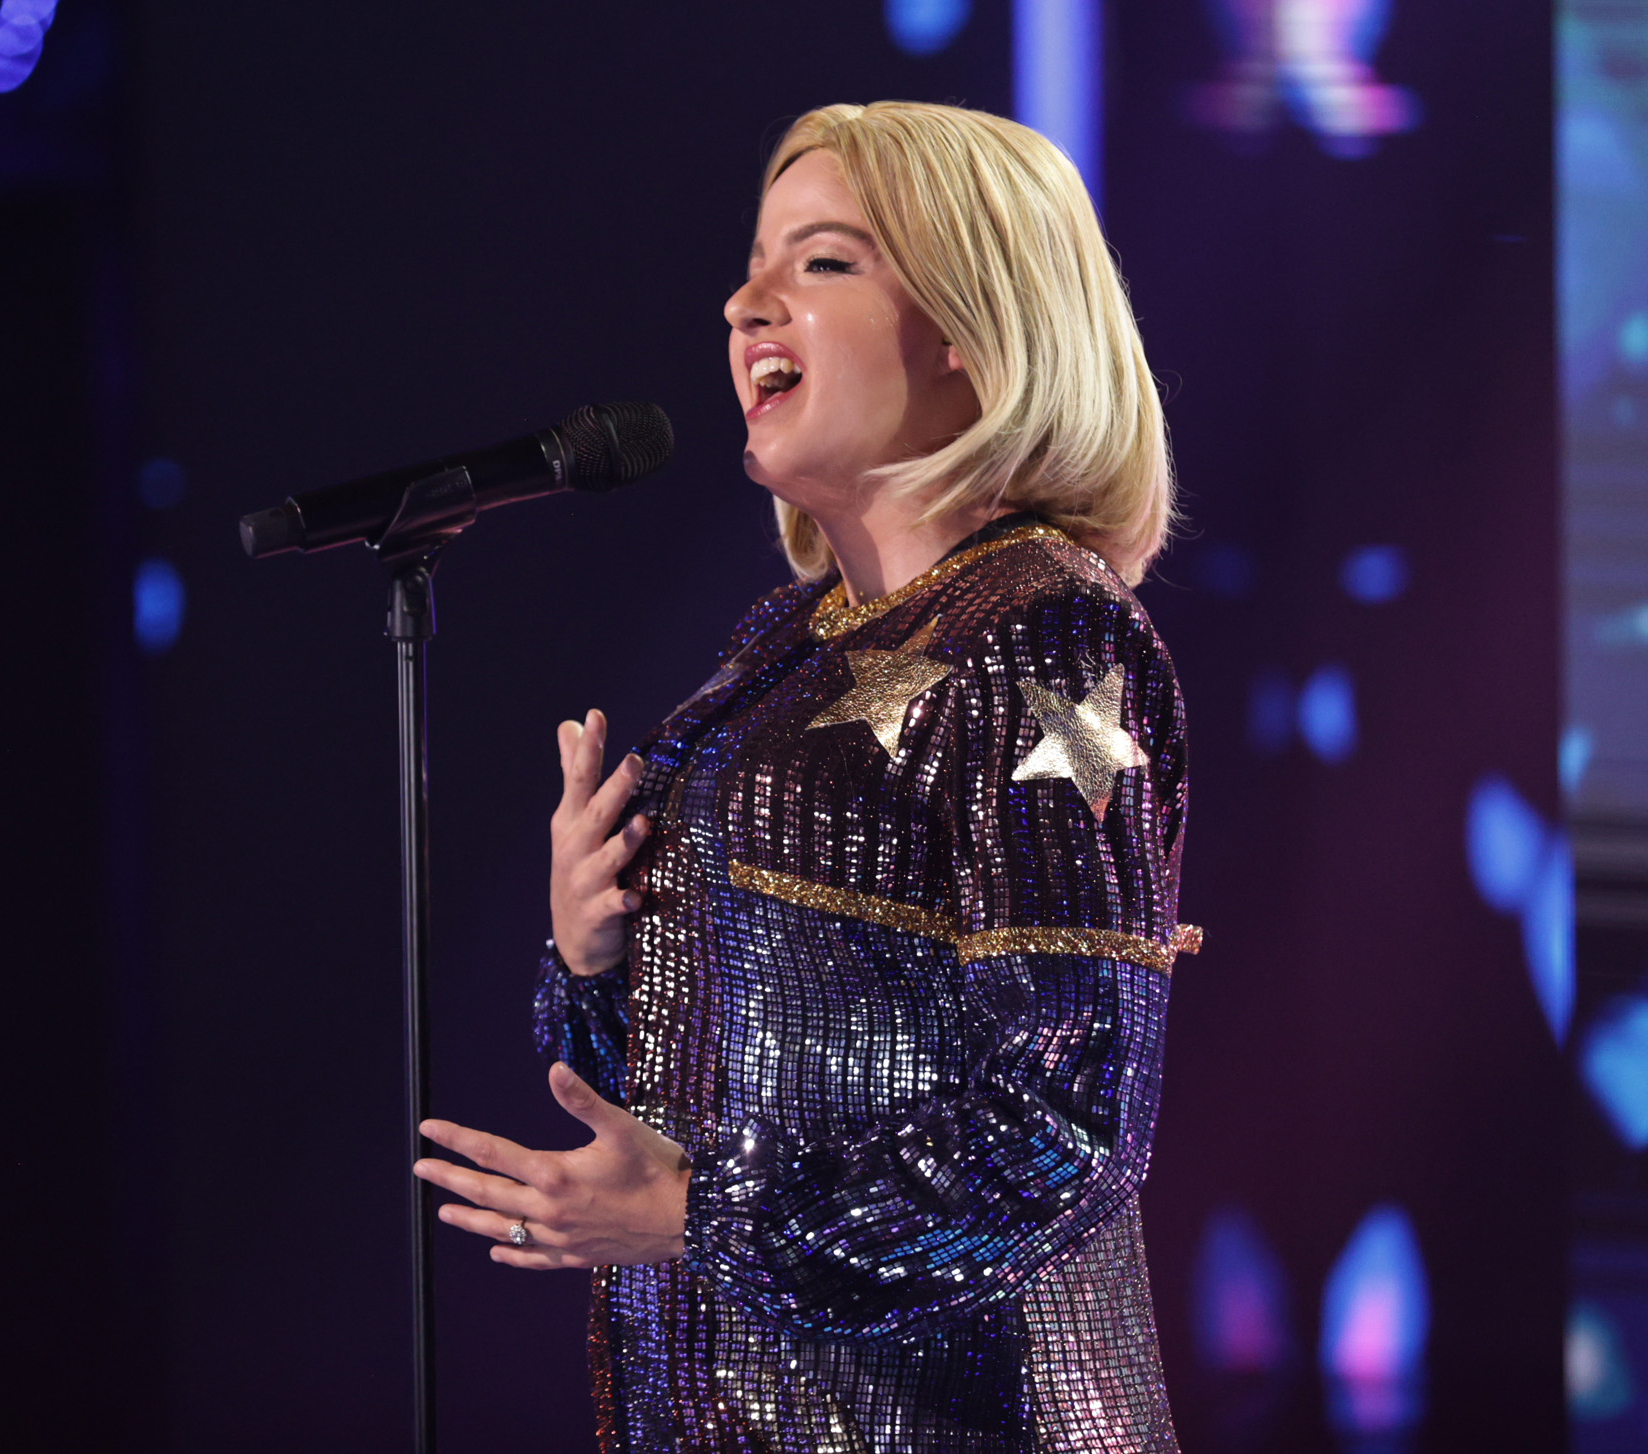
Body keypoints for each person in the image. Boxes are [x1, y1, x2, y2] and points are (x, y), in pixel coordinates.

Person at [413, 100, 1199, 1451]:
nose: (744, 303)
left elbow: (1067, 1120)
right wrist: (593, 953)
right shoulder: (784, 645)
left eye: (822, 261)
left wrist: (698, 1213)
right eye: (753, 264)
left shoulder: (1053, 637)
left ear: (973, 329)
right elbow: (669, 1100)